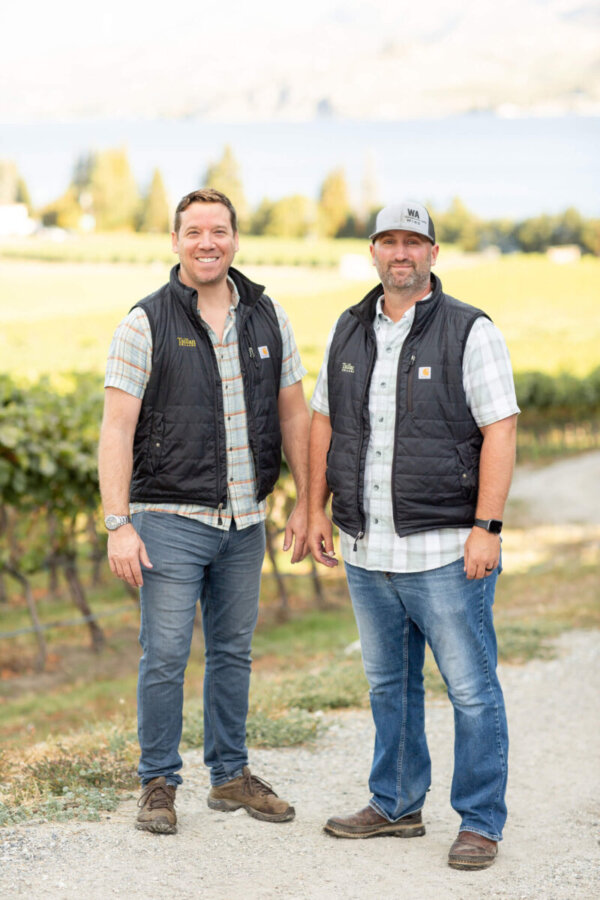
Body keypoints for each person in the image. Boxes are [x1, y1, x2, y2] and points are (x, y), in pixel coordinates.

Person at [308, 201, 519, 870]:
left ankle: (480, 822)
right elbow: (323, 421)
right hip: (366, 550)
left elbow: (500, 430)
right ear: (372, 250)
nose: (401, 253)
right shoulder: (348, 328)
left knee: (471, 689)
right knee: (388, 686)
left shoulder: (470, 330)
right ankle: (396, 804)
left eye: (414, 241)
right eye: (388, 241)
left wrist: (487, 528)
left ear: (432, 253)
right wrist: (313, 508)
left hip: (446, 551)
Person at [98, 188, 310, 834]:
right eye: (194, 232)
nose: (207, 242)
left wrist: (308, 501)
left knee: (233, 653)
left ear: (235, 240)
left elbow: (294, 414)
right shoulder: (144, 322)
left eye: (218, 230)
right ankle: (158, 783)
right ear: (176, 242)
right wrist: (118, 524)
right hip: (167, 521)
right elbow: (115, 428)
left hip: (245, 523)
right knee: (165, 657)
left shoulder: (268, 317)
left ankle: (230, 776)